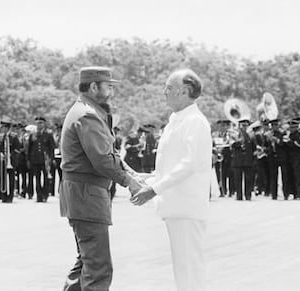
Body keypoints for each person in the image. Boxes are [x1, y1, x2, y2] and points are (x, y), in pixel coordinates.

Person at [60, 66, 142, 291]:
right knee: (98, 267)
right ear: (94, 86)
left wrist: (132, 174)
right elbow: (103, 160)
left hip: (82, 194)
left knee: (85, 263)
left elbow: (109, 154)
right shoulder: (87, 114)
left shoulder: (88, 111)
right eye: (108, 86)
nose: (111, 92)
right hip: (87, 195)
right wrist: (129, 182)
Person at [131, 69, 212, 291]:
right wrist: (146, 179)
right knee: (183, 268)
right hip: (176, 207)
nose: (164, 93)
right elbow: (169, 166)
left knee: (189, 270)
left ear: (184, 91)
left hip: (187, 207)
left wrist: (154, 189)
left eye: (168, 88)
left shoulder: (194, 121)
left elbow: (189, 164)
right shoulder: (177, 120)